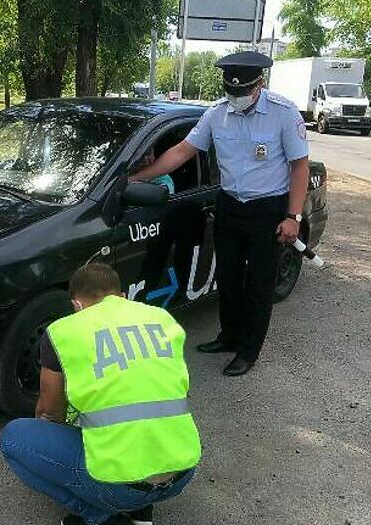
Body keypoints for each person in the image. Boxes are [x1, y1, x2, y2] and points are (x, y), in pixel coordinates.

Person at [129, 51, 309, 377]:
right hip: (229, 205)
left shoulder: (283, 113)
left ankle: (248, 351)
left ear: (259, 84)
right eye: (231, 91)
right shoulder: (216, 113)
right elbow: (184, 150)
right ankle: (227, 337)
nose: (236, 97)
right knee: (227, 277)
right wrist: (140, 176)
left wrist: (293, 217)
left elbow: (299, 166)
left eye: (242, 92)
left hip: (267, 210)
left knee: (258, 285)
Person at [0, 264, 201, 525]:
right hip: (182, 472)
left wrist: (52, 443)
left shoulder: (64, 331)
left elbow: (48, 412)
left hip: (119, 486)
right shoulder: (161, 318)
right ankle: (139, 508)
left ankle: (98, 516)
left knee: (14, 440)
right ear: (121, 295)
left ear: (76, 304)